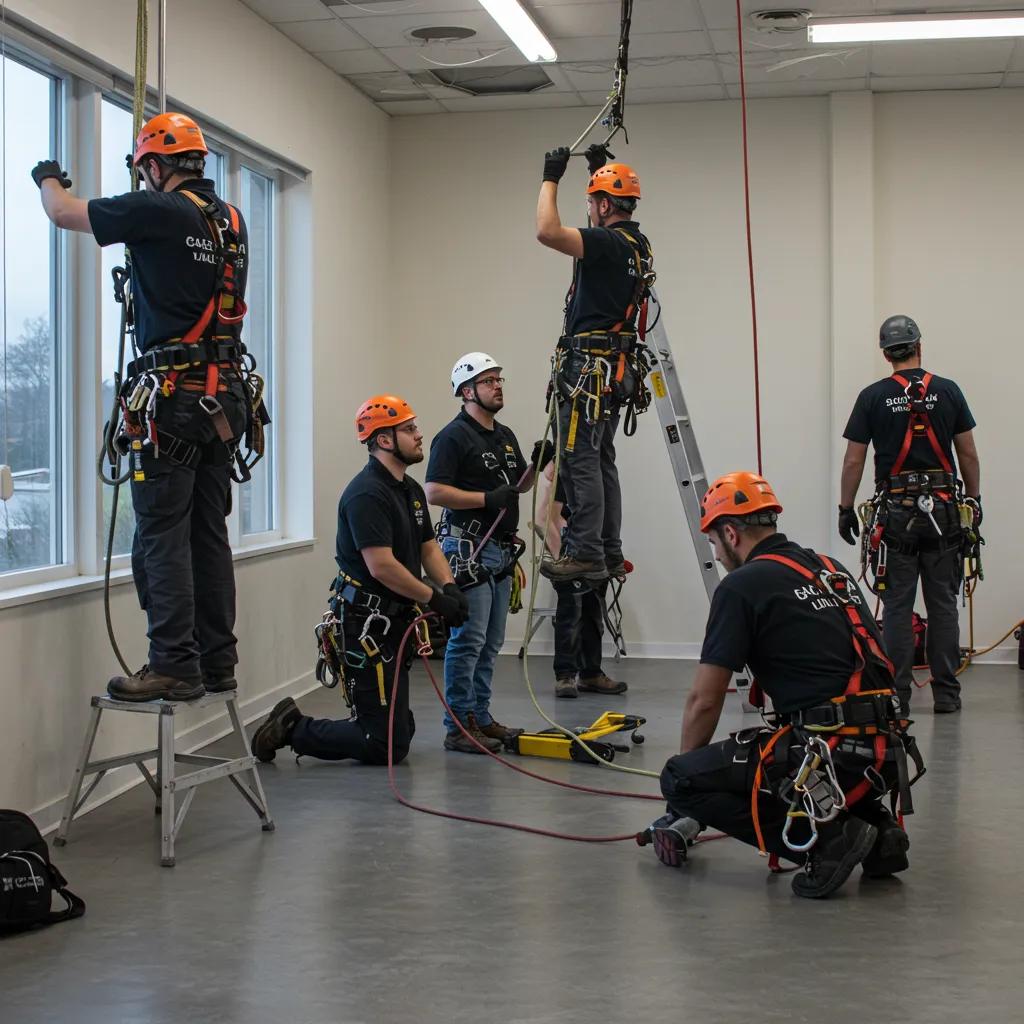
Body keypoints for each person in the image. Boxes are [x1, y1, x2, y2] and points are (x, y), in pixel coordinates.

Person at [32, 112, 266, 702]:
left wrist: (49, 178)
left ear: (155, 166)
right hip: (225, 396)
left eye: (144, 170)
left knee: (160, 536)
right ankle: (217, 663)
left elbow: (63, 213)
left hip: (174, 398)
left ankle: (173, 665)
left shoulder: (159, 210)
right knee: (208, 534)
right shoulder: (231, 220)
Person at [651, 472, 923, 900]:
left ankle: (830, 841)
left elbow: (704, 701)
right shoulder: (830, 569)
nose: (719, 556)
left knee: (680, 779)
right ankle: (876, 825)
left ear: (729, 532)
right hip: (884, 755)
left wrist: (684, 795)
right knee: (791, 745)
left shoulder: (740, 587)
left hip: (828, 751)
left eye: (716, 545)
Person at [251, 395, 468, 767]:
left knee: (398, 734)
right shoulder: (367, 493)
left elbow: (428, 546)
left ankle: (383, 725)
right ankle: (293, 728)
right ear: (384, 440)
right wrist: (434, 598)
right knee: (383, 746)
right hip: (366, 625)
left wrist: (448, 586)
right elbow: (381, 566)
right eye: (409, 428)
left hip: (395, 619)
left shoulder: (411, 491)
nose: (419, 435)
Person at [838, 315, 981, 713]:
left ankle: (898, 697)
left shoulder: (872, 396)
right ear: (920, 345)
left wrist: (845, 508)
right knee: (943, 605)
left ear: (886, 353)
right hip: (945, 512)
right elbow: (967, 452)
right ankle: (947, 696)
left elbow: (854, 460)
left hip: (897, 514)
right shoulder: (948, 391)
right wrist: (973, 500)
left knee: (898, 608)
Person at [535, 143, 653, 583]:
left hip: (587, 369)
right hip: (612, 369)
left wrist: (552, 176)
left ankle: (585, 551)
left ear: (604, 206)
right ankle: (607, 549)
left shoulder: (604, 243)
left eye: (592, 203)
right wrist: (599, 171)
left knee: (580, 459)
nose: (588, 211)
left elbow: (547, 231)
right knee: (601, 460)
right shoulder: (636, 244)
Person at [424, 353, 527, 754]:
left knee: (491, 641)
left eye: (499, 379)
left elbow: (516, 488)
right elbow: (434, 491)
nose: (498, 386)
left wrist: (538, 465)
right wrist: (485, 498)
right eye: (489, 381)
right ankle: (458, 724)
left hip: (499, 550)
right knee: (468, 639)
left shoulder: (504, 435)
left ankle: (480, 716)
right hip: (470, 550)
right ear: (467, 391)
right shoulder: (453, 437)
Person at [535, 460, 627, 699]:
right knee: (570, 617)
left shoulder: (594, 477)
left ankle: (591, 674)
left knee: (593, 614)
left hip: (595, 554)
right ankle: (565, 676)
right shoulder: (568, 474)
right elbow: (545, 518)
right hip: (573, 553)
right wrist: (561, 556)